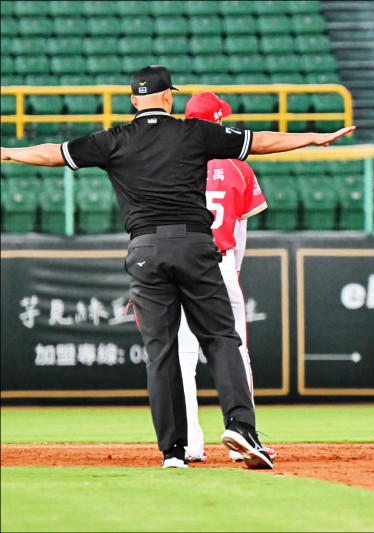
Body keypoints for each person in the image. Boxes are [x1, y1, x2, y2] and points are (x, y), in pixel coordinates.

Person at [1, 65, 355, 469]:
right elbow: (260, 142)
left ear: (134, 100)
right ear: (169, 97)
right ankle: (240, 426)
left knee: (161, 352)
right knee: (221, 337)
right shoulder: (195, 132)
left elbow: (54, 152)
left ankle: (174, 451)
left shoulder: (113, 139)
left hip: (145, 252)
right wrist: (312, 137)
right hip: (194, 246)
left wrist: (8, 152)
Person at [176, 91, 272, 464]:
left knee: (182, 357)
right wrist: (231, 270)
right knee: (235, 351)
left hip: (178, 264)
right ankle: (243, 435)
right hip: (219, 263)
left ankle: (188, 444)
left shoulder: (173, 161)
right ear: (218, 122)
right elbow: (241, 236)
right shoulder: (237, 166)